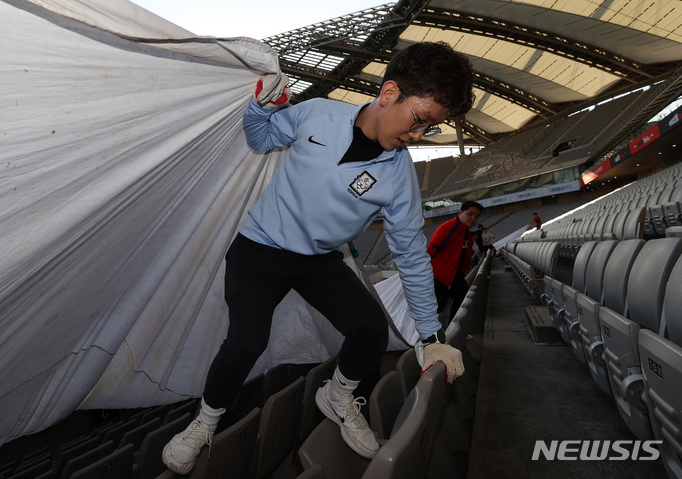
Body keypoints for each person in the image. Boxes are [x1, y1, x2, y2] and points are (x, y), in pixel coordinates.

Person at [161, 41, 476, 475]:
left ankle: (339, 396)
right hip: (260, 248)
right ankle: (204, 423)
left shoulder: (399, 175)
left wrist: (429, 335)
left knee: (369, 328)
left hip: (318, 260)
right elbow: (261, 137)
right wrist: (258, 108)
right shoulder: (318, 114)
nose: (418, 136)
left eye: (429, 129)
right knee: (247, 341)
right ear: (389, 94)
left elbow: (410, 254)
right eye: (420, 120)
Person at [427, 201, 483, 325]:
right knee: (438, 306)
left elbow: (465, 257)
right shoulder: (449, 228)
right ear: (461, 212)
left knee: (462, 296)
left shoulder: (466, 233)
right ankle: (426, 338)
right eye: (470, 214)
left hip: (453, 275)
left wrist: (461, 273)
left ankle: (452, 329)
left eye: (477, 216)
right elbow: (430, 250)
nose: (473, 218)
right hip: (438, 275)